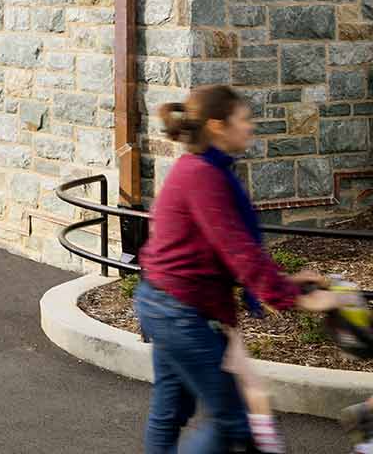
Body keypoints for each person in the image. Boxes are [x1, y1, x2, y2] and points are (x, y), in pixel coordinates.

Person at [134, 84, 352, 453]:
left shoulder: (202, 171)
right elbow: (239, 252)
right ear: (218, 126)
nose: (251, 127)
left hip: (166, 304)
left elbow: (218, 252)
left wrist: (288, 281)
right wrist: (301, 300)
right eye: (244, 119)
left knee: (170, 412)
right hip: (180, 313)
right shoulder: (204, 176)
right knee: (234, 422)